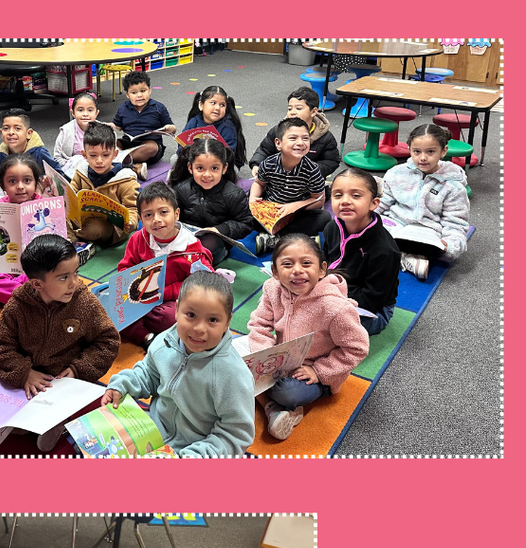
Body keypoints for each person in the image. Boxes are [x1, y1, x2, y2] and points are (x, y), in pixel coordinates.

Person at [0, 235, 119, 451]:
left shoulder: (84, 302)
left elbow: (108, 341)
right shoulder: (18, 305)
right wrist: (24, 373)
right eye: (63, 277)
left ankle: (28, 424)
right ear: (37, 283)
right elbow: (0, 347)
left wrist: (78, 369)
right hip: (24, 374)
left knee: (54, 401)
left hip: (61, 378)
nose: (74, 282)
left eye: (75, 273)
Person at [104, 271, 255, 457]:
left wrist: (195, 456)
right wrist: (123, 385)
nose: (199, 329)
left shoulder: (233, 375)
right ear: (176, 310)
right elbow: (148, 373)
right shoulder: (164, 342)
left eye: (213, 320)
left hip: (197, 450)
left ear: (227, 322)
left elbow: (235, 433)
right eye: (191, 315)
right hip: (152, 429)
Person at [247, 234, 369, 441]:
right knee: (228, 357)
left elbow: (357, 348)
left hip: (312, 370)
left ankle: (270, 404)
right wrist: (266, 354)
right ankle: (272, 409)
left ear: (321, 269)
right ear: (275, 272)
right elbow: (259, 323)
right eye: (287, 264)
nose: (297, 270)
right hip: (278, 359)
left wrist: (320, 371)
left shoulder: (334, 308)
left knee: (287, 393)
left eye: (306, 263)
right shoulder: (272, 288)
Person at [116, 181, 213, 349]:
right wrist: (134, 285)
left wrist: (162, 292)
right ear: (141, 219)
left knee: (171, 317)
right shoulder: (138, 239)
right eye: (148, 215)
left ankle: (144, 330)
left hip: (173, 302)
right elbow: (125, 268)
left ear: (176, 214)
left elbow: (199, 284)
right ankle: (146, 337)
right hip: (141, 297)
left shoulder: (191, 249)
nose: (156, 220)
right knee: (111, 306)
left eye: (163, 212)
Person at [378, 123, 470, 281]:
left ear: (443, 151)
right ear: (409, 150)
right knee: (373, 232)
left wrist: (450, 244)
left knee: (425, 246)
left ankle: (404, 256)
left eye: (431, 152)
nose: (423, 157)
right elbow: (382, 202)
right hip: (395, 223)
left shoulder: (453, 186)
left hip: (427, 229)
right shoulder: (396, 173)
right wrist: (364, 218)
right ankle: (409, 258)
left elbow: (456, 221)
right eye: (417, 151)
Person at [324, 168, 401, 335]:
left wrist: (330, 300)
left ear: (374, 203)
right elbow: (323, 261)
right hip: (332, 290)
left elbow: (373, 299)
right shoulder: (332, 227)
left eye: (356, 195)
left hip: (371, 310)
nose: (345, 201)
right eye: (338, 195)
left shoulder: (385, 250)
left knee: (331, 325)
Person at [0, 155, 47, 311]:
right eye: (12, 181)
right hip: (6, 264)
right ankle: (29, 297)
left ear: (36, 182)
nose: (20, 186)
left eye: (27, 180)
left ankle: (1, 295)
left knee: (49, 273)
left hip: (33, 267)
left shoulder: (44, 207)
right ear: (2, 185)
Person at [170, 137, 256, 266]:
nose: (207, 175)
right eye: (200, 168)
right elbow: (173, 214)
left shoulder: (234, 194)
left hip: (216, 239)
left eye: (214, 168)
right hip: (187, 235)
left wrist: (220, 229)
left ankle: (192, 262)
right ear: (190, 167)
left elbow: (246, 223)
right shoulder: (181, 189)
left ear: (224, 168)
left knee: (205, 249)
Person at [249, 118, 329, 255]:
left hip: (298, 213)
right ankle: (302, 239)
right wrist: (253, 200)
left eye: (305, 138)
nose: (300, 143)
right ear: (278, 143)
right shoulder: (268, 164)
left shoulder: (312, 170)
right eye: (293, 138)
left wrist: (294, 207)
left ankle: (274, 240)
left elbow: (319, 200)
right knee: (245, 213)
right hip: (272, 211)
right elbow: (258, 183)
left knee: (324, 217)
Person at [67, 122, 139, 246]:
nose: (99, 161)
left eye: (105, 155)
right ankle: (72, 244)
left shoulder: (126, 180)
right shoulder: (81, 172)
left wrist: (131, 223)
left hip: (110, 228)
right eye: (93, 155)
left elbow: (133, 208)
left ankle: (76, 242)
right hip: (82, 219)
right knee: (59, 217)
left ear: (115, 154)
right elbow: (71, 194)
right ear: (84, 155)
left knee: (94, 229)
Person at [248, 85, 340, 182]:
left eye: (298, 108)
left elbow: (331, 161)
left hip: (309, 182)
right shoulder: (278, 131)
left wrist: (309, 171)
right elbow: (264, 149)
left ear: (313, 111)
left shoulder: (325, 136)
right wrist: (257, 164)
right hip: (278, 178)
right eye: (290, 108)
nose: (292, 112)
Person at [112, 70, 175, 180]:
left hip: (150, 147)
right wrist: (110, 127)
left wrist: (170, 128)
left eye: (143, 91)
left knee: (150, 147)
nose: (139, 95)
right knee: (112, 142)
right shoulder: (123, 108)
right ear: (127, 94)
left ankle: (121, 163)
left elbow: (172, 128)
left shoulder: (158, 107)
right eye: (134, 93)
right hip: (129, 144)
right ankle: (134, 167)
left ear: (149, 90)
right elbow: (117, 127)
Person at [53, 89, 121, 176]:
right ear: (73, 113)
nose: (85, 114)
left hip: (100, 167)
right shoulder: (66, 131)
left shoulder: (106, 130)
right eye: (80, 110)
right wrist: (73, 164)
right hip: (73, 171)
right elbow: (57, 158)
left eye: (90, 110)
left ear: (96, 113)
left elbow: (111, 156)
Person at [178, 85, 247, 168]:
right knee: (174, 159)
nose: (217, 108)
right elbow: (181, 146)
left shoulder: (227, 126)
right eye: (213, 103)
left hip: (221, 163)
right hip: (196, 159)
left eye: (222, 105)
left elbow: (229, 155)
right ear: (201, 105)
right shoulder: (194, 121)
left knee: (228, 169)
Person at [0, 108, 57, 179]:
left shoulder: (40, 153)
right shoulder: (2, 155)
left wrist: (43, 179)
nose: (11, 132)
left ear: (29, 133)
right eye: (6, 128)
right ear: (1, 132)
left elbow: (58, 175)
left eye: (17, 128)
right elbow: (0, 179)